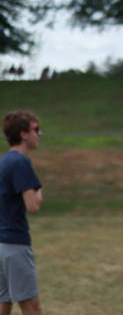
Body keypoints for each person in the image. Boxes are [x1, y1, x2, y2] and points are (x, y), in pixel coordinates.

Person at [0, 111, 44, 315]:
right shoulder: (21, 162)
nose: (40, 134)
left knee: (3, 303)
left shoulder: (4, 160)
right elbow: (33, 206)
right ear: (23, 134)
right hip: (14, 244)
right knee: (31, 305)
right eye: (36, 130)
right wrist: (38, 187)